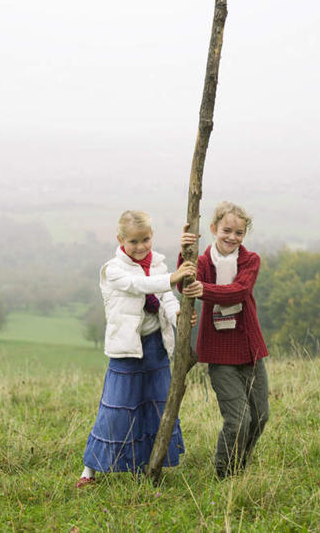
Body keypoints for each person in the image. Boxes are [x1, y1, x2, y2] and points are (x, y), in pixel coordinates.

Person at [77, 210, 197, 487]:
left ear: (152, 237)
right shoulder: (113, 270)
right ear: (120, 240)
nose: (141, 246)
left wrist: (180, 312)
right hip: (127, 348)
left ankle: (149, 465)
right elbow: (139, 286)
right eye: (133, 241)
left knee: (156, 406)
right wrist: (172, 278)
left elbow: (165, 297)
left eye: (146, 239)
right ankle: (90, 471)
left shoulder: (158, 263)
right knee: (117, 408)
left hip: (155, 345)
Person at [180, 201, 269, 478]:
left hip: (250, 348)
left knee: (260, 416)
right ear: (213, 229)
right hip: (219, 352)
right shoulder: (203, 262)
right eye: (226, 230)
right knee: (239, 420)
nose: (232, 237)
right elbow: (184, 280)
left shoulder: (249, 260)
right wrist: (184, 251)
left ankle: (240, 464)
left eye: (239, 233)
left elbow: (238, 291)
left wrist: (203, 290)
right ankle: (224, 472)